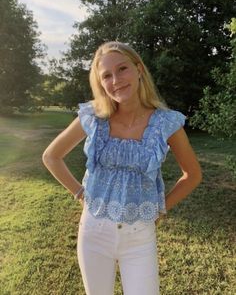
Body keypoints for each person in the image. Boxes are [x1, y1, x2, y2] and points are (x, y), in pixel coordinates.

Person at [42, 41, 202, 295]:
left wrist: (162, 207)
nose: (116, 80)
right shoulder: (93, 117)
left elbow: (193, 175)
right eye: (106, 75)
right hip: (93, 233)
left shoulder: (166, 123)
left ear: (139, 69)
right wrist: (79, 194)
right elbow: (51, 156)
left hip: (139, 236)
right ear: (100, 82)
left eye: (122, 69)